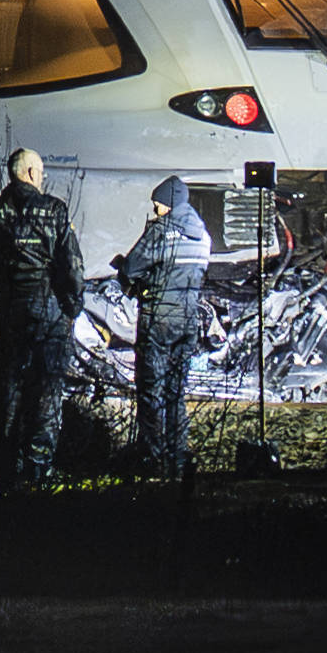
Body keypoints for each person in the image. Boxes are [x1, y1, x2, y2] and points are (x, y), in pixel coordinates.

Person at [0, 147, 84, 490]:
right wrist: (72, 307)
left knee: (8, 389)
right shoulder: (54, 211)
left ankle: (4, 464)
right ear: (33, 173)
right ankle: (38, 468)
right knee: (47, 390)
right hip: (48, 311)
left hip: (9, 311)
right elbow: (73, 268)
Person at [118, 175, 212, 479]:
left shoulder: (161, 231)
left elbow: (131, 268)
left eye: (157, 205)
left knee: (151, 391)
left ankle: (152, 459)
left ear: (168, 203)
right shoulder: (203, 236)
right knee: (176, 392)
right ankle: (178, 458)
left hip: (158, 320)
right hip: (187, 321)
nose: (155, 210)